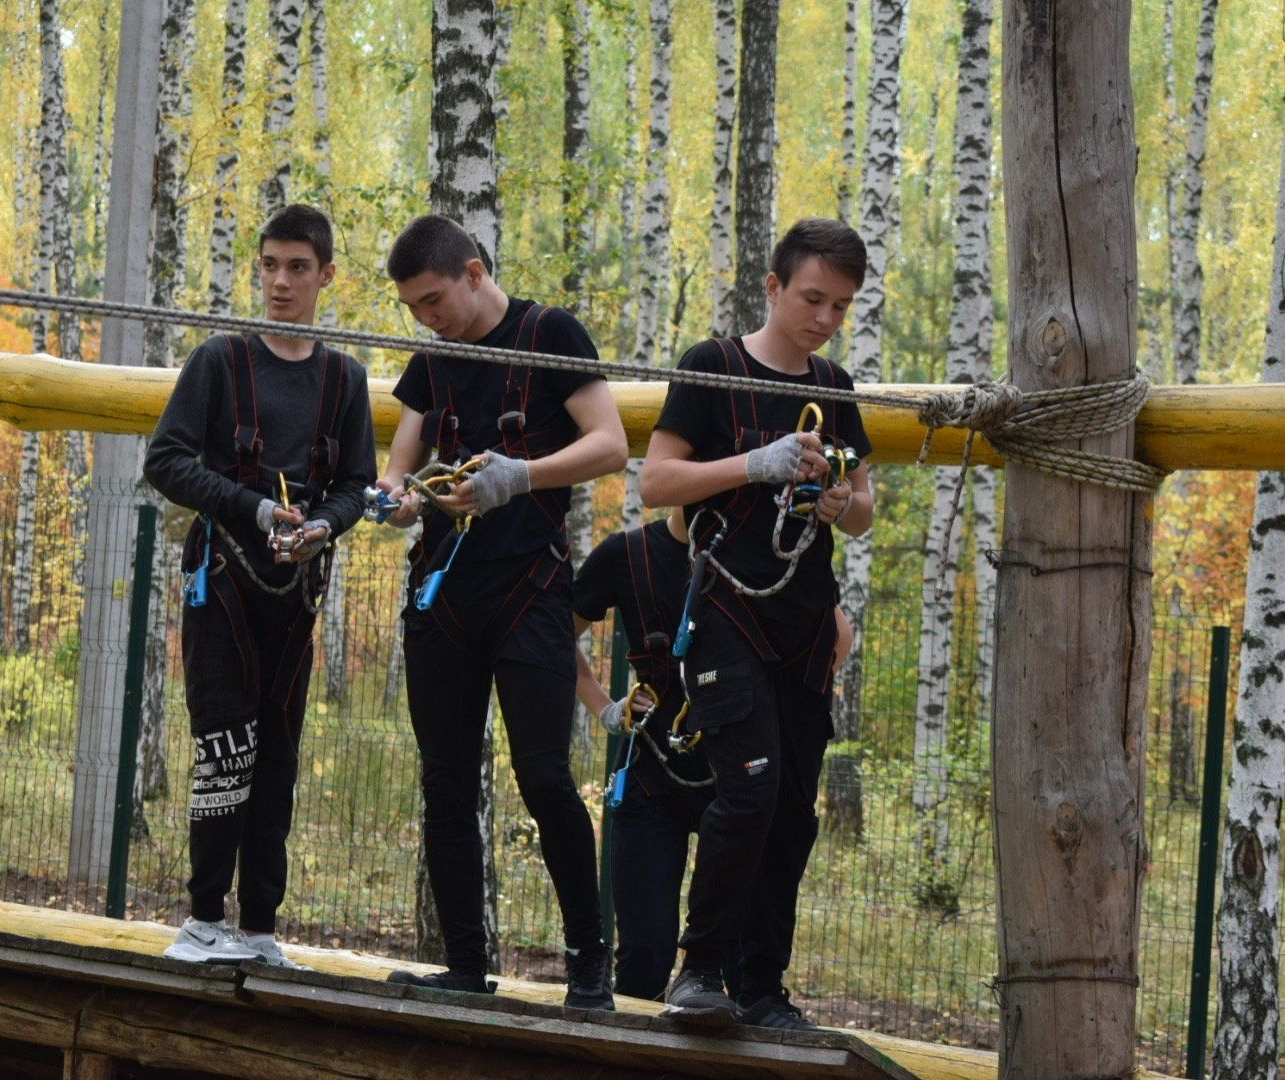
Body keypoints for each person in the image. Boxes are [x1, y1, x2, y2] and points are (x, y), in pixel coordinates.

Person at [376, 214, 628, 1008]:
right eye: (412, 307)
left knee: (545, 776)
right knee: (446, 781)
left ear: (475, 272)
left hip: (531, 591)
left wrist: (518, 477)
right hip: (446, 598)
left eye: (433, 299)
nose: (426, 317)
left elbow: (612, 445)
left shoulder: (551, 333)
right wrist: (397, 502)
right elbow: (398, 464)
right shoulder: (433, 360)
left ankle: (590, 964)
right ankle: (462, 963)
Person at [639, 217, 874, 1030]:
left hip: (805, 621)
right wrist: (756, 464)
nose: (825, 318)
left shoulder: (835, 388)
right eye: (813, 299)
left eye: (841, 306)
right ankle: (698, 969)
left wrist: (840, 498)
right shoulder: (712, 367)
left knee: (793, 811)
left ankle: (763, 986)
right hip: (727, 607)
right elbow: (657, 483)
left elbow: (865, 509)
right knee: (748, 790)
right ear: (773, 288)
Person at [143, 204, 375, 967]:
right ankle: (204, 918)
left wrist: (324, 525)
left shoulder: (345, 379)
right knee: (222, 745)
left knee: (277, 753)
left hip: (296, 598)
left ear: (326, 276)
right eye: (270, 265)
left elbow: (356, 484)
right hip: (224, 588)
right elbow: (167, 462)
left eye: (298, 268)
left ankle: (262, 930)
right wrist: (252, 506)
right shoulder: (219, 362)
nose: (280, 281)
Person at [573, 512, 853, 1005]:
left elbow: (838, 636)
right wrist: (606, 708)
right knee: (643, 960)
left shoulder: (759, 559)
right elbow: (555, 630)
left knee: (737, 972)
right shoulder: (627, 555)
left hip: (740, 782)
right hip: (652, 776)